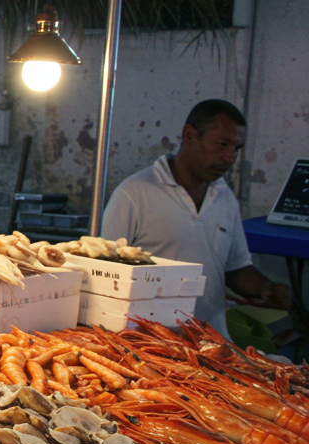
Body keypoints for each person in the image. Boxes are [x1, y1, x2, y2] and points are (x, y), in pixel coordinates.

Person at [103, 99, 291, 338]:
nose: (229, 157)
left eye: (236, 149)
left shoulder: (225, 198)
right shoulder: (134, 194)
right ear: (189, 135)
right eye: (221, 144)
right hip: (148, 341)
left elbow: (236, 268)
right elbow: (106, 274)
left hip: (211, 339)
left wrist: (266, 288)